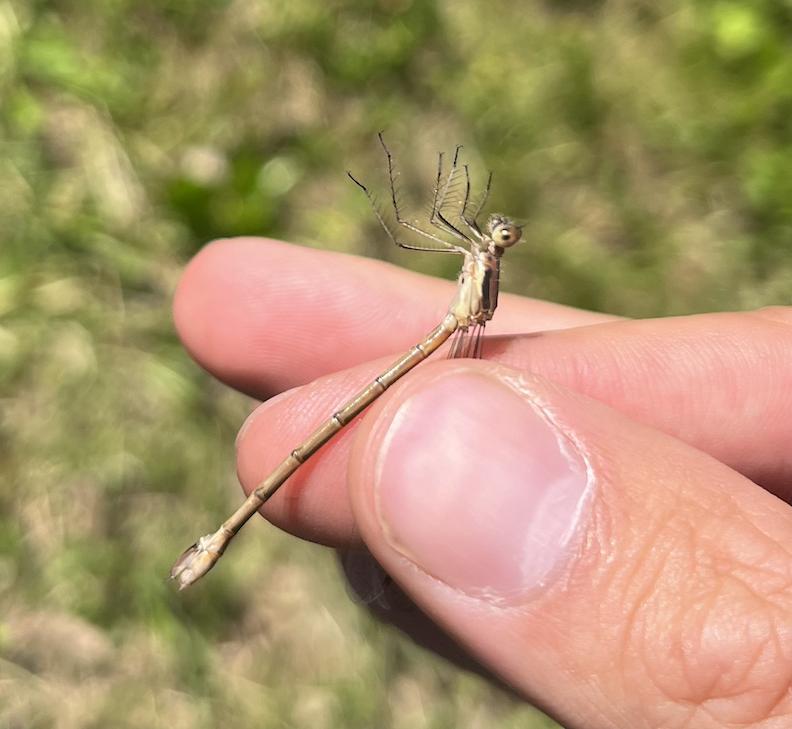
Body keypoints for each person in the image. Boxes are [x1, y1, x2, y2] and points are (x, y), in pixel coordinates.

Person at [174, 236, 792, 729]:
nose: (496, 238)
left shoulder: (479, 281)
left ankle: (222, 534)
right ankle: (222, 535)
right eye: (495, 237)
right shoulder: (478, 267)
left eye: (498, 240)